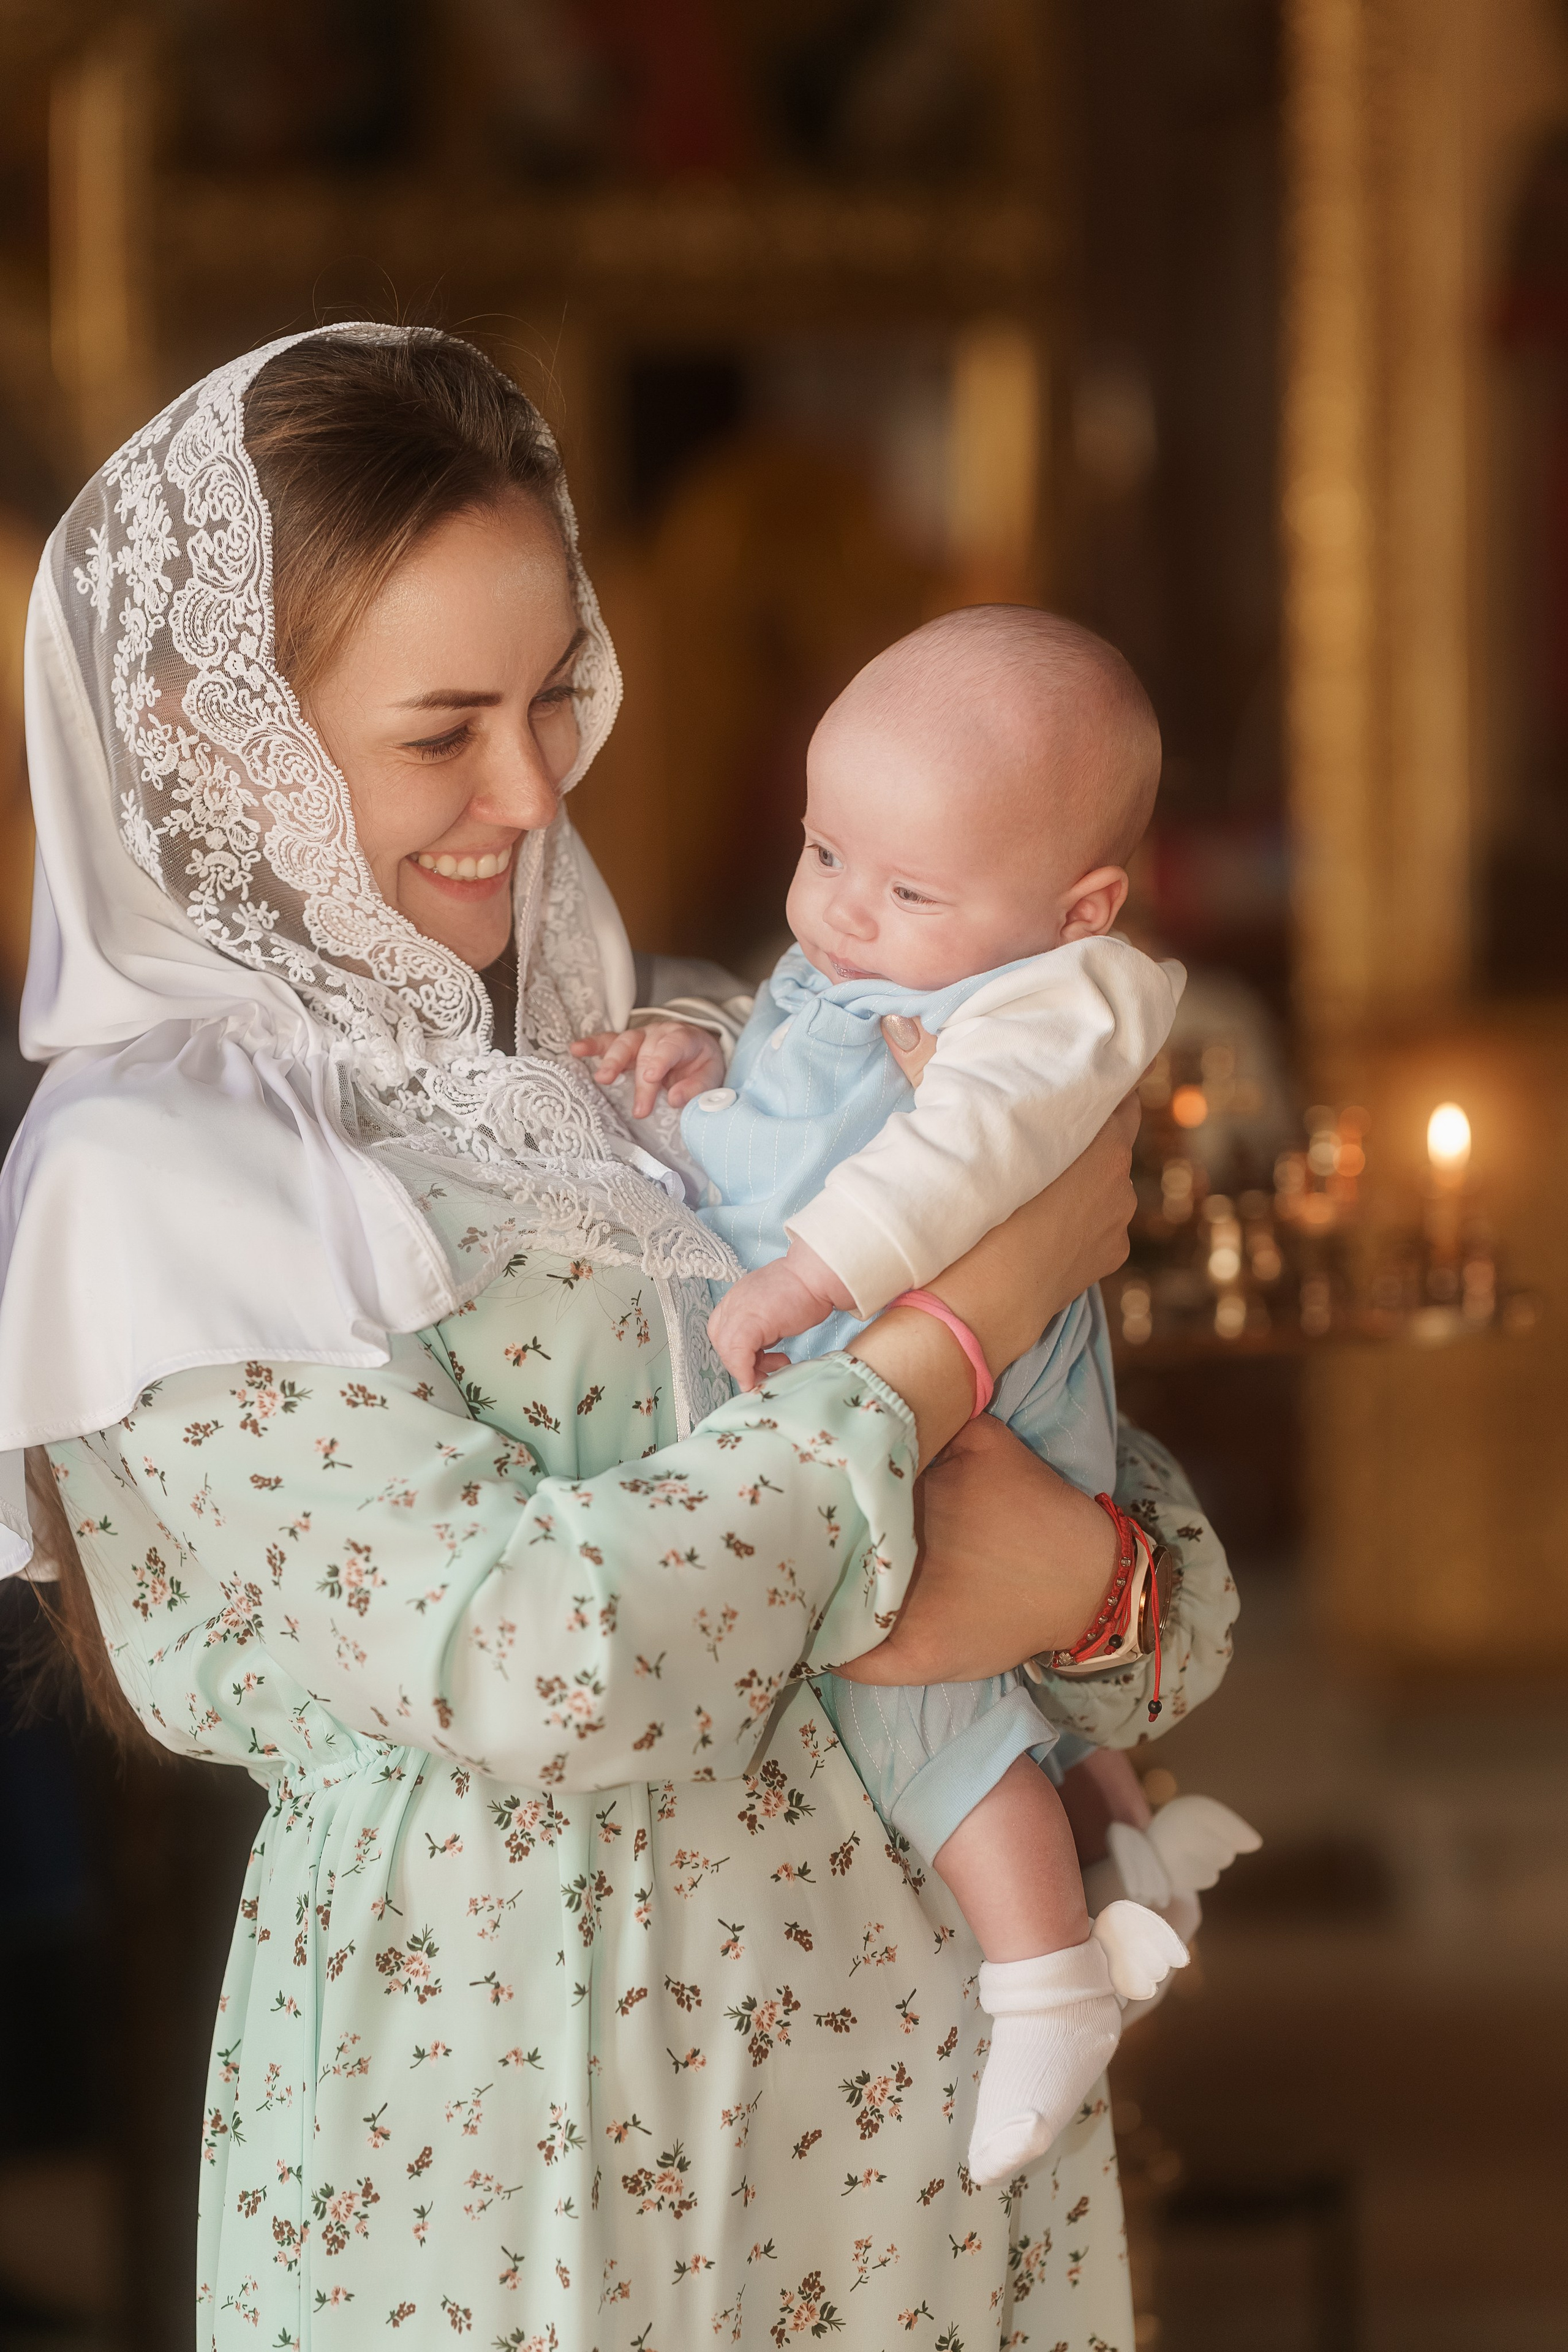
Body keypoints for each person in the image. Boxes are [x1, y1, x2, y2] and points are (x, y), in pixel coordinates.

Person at [0, 324, 1239, 2349]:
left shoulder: (657, 1061)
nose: (533, 785)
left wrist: (1089, 1585)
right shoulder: (161, 1181)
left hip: (921, 2106)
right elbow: (546, 1663)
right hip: (517, 2131)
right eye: (441, 730)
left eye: (553, 693)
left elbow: (1166, 1595)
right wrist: (958, 1326)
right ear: (205, 731)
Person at [575, 610, 1257, 2184]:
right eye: (822, 854)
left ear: (1076, 905)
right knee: (976, 1670)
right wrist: (701, 1044)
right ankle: (1124, 1839)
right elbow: (804, 1063)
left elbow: (957, 1160)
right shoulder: (888, 960)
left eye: (901, 889)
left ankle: (1045, 1983)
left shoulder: (1058, 1002)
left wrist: (806, 1284)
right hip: (912, 1366)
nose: (838, 914)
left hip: (993, 1390)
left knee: (920, 1695)